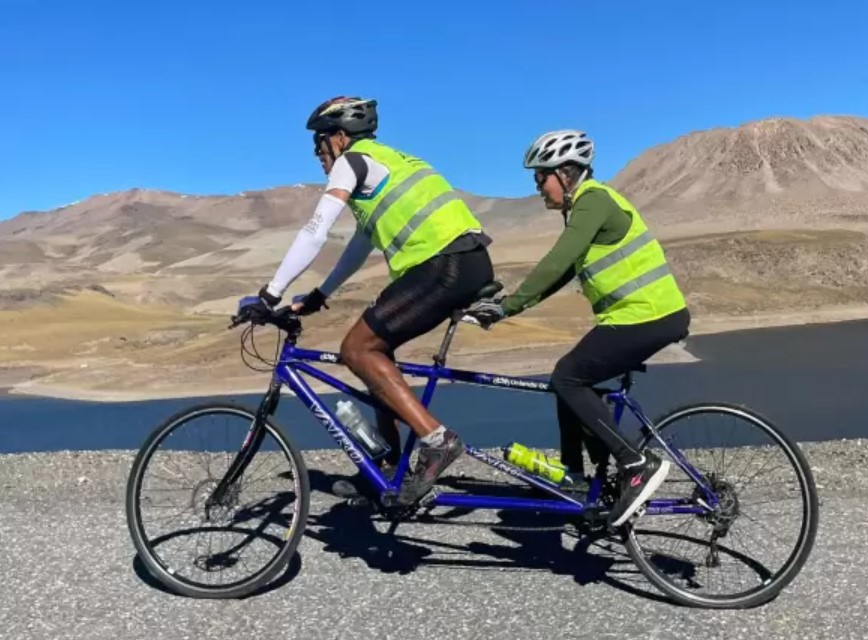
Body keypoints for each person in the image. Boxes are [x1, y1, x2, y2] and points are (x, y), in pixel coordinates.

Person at [238, 96, 495, 503]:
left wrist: (270, 293)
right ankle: (387, 465)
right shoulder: (388, 161)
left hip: (442, 264)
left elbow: (315, 230)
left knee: (357, 348)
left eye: (319, 146)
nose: (318, 156)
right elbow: (360, 245)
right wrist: (321, 294)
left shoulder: (351, 161)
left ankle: (436, 440)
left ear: (339, 138)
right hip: (465, 262)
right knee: (377, 349)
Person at [466, 130, 691, 527]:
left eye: (541, 177)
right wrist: (506, 308)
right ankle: (575, 475)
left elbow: (558, 259)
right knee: (569, 379)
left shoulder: (594, 201)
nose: (538, 187)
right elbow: (564, 273)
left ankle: (636, 462)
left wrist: (509, 306)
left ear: (566, 173)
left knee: (568, 377)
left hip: (649, 316)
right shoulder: (584, 207)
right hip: (635, 317)